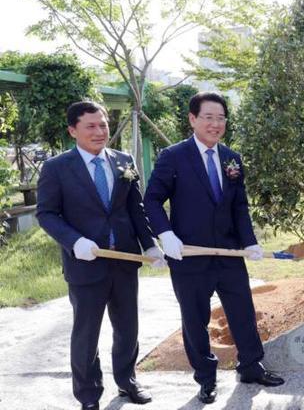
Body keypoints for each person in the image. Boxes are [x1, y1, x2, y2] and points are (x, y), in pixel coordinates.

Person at [143, 91, 284, 404]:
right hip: (189, 255)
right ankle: (206, 379)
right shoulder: (173, 156)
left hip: (229, 253)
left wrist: (249, 241)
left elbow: (239, 207)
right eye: (208, 117)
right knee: (195, 318)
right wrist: (165, 234)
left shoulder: (232, 158)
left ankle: (250, 365)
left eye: (221, 118)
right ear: (192, 119)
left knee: (242, 310)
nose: (215, 123)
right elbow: (151, 199)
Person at [36, 101, 164, 410]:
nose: (99, 131)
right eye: (90, 126)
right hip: (84, 263)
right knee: (86, 333)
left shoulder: (123, 161)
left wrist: (149, 245)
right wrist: (74, 241)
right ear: (72, 130)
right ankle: (89, 394)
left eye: (103, 124)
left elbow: (136, 208)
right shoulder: (57, 168)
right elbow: (47, 214)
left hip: (125, 261)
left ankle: (127, 380)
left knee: (127, 328)